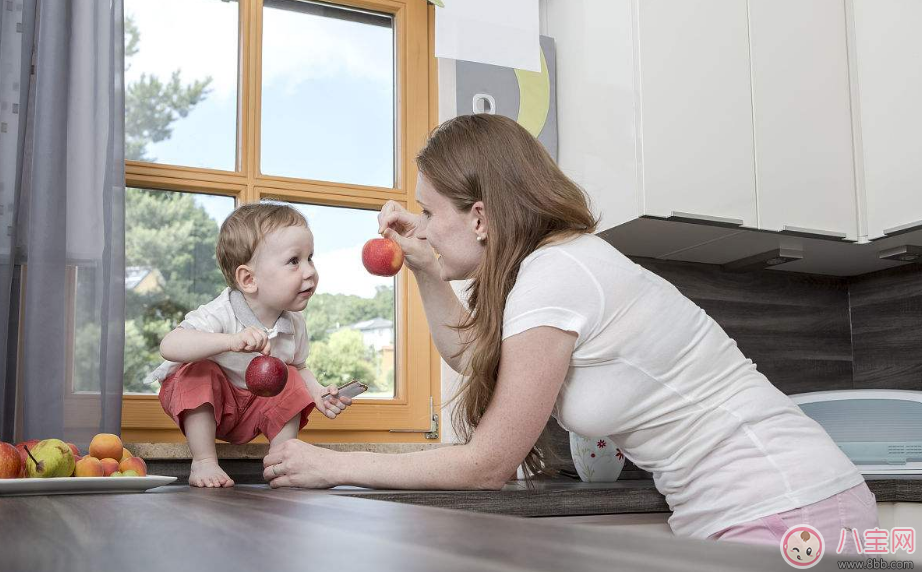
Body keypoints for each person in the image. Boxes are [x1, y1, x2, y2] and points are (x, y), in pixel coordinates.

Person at [262, 114, 878, 548]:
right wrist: (426, 268)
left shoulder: (558, 273)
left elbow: (487, 465)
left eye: (429, 212)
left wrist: (332, 463)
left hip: (790, 508)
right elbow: (473, 356)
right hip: (771, 510)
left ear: (479, 217)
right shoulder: (552, 268)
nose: (420, 225)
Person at [146, 203, 353, 488]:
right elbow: (170, 345)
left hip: (254, 408)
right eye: (294, 260)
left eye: (310, 258)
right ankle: (204, 461)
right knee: (198, 369)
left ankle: (282, 463)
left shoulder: (294, 323)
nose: (309, 271)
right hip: (211, 409)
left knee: (290, 375)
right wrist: (229, 342)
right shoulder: (221, 312)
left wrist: (317, 392)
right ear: (248, 279)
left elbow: (300, 366)